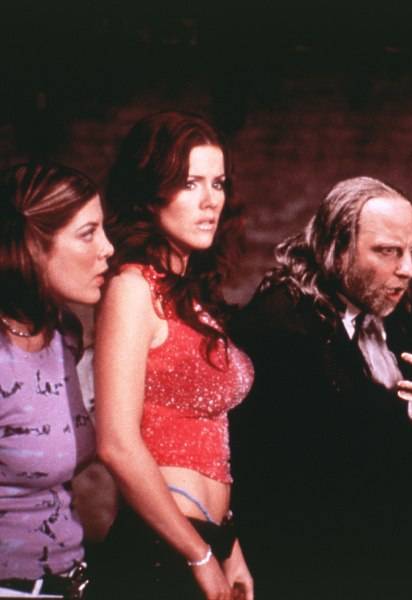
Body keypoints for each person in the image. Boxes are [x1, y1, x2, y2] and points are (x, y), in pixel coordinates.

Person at [229, 176, 412, 598]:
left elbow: (404, 429)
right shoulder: (278, 326)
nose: (407, 270)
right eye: (387, 251)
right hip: (315, 556)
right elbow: (274, 479)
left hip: (399, 545)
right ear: (337, 250)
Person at [91, 111, 254, 600]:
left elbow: (212, 439)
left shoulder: (195, 297)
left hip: (207, 539)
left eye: (218, 183)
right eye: (189, 183)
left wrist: (230, 551)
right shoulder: (132, 288)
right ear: (150, 193)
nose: (211, 201)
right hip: (159, 549)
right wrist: (199, 556)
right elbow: (116, 444)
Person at [0, 163, 113, 599]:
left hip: (68, 582)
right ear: (32, 247)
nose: (107, 248)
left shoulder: (63, 331)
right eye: (88, 234)